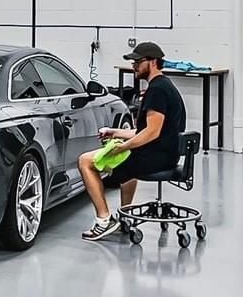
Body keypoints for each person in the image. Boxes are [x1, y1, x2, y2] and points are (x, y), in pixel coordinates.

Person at [77, 41, 186, 241]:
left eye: (138, 61)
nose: (134, 66)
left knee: (85, 161)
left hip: (154, 158)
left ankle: (104, 220)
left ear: (153, 62)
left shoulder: (157, 90)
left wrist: (121, 148)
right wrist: (115, 132)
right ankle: (125, 216)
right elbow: (144, 131)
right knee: (126, 153)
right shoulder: (164, 85)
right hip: (163, 154)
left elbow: (151, 133)